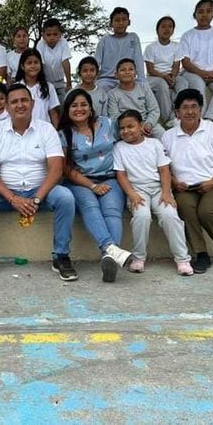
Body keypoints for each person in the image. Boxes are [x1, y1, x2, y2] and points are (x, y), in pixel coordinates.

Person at [0, 84, 77, 282]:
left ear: (33, 103)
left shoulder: (46, 130)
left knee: (65, 197)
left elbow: (56, 169)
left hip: (40, 191)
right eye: (14, 102)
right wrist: (13, 199)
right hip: (6, 193)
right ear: (7, 107)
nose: (20, 105)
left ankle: (61, 256)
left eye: (24, 100)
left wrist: (37, 199)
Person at [161, 89, 213, 274]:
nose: (190, 111)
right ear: (177, 112)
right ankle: (201, 254)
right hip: (185, 187)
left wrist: (212, 182)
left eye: (194, 107)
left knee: (207, 211)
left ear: (201, 109)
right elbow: (163, 167)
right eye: (185, 107)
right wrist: (174, 182)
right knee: (185, 209)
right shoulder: (168, 136)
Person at [60, 89, 133, 282]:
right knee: (90, 205)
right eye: (74, 105)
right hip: (80, 181)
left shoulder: (108, 124)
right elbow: (66, 168)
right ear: (67, 110)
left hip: (110, 177)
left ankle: (109, 258)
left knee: (112, 211)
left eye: (83, 104)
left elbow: (127, 141)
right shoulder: (64, 133)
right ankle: (111, 249)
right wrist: (92, 186)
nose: (79, 109)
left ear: (91, 107)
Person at [113, 110, 193, 276]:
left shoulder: (155, 144)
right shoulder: (119, 147)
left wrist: (166, 193)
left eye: (130, 126)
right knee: (142, 216)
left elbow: (164, 170)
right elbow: (121, 175)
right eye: (122, 128)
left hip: (158, 189)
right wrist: (131, 194)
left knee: (170, 215)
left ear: (141, 126)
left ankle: (182, 259)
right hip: (137, 190)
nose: (126, 131)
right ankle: (138, 258)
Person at [180, 0, 213, 123]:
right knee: (198, 84)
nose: (204, 15)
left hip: (211, 73)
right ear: (195, 14)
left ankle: (210, 118)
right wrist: (201, 73)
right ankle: (200, 120)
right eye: (200, 12)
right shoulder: (187, 35)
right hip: (191, 73)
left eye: (208, 11)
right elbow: (185, 62)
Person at [144, 16, 189, 125]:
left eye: (170, 26)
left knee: (183, 82)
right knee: (161, 84)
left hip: (171, 75)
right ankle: (168, 119)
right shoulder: (151, 47)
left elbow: (176, 65)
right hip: (155, 77)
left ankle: (177, 112)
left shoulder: (177, 46)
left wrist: (172, 76)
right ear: (157, 30)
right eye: (163, 26)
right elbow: (150, 69)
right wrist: (164, 77)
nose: (167, 29)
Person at [107, 58, 164, 139]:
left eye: (130, 69)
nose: (127, 72)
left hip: (145, 123)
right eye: (123, 70)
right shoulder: (112, 94)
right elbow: (114, 115)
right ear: (116, 74)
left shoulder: (144, 88)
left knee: (161, 133)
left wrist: (148, 124)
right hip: (125, 126)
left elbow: (154, 109)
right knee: (113, 135)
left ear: (136, 73)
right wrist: (132, 127)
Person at [95, 7, 145, 91]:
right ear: (111, 23)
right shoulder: (105, 40)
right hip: (107, 80)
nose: (121, 23)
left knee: (142, 88)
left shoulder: (133, 37)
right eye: (117, 20)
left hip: (128, 78)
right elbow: (96, 62)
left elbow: (138, 60)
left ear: (129, 22)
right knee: (99, 88)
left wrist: (141, 80)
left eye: (124, 20)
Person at [15, 48, 60, 127]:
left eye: (36, 62)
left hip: (44, 131)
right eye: (29, 63)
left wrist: (57, 132)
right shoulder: (15, 88)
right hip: (23, 130)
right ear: (22, 66)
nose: (33, 66)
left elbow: (53, 113)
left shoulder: (48, 87)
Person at [37, 18, 73, 103]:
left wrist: (69, 83)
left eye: (55, 34)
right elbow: (40, 64)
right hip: (46, 82)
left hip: (60, 82)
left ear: (60, 35)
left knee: (64, 104)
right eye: (48, 35)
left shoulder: (63, 42)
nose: (52, 37)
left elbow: (65, 62)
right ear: (43, 35)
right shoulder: (40, 44)